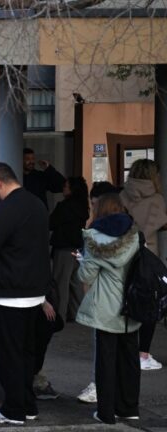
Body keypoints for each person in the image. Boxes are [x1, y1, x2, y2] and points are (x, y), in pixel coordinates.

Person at [0, 163, 50, 425]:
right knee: (26, 354)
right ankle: (27, 405)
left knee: (8, 356)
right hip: (33, 292)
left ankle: (12, 410)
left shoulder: (5, 209)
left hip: (7, 293)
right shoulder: (37, 204)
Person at [75, 193, 141, 424]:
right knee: (130, 358)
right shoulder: (134, 234)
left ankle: (106, 412)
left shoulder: (93, 237)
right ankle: (129, 407)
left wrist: (83, 261)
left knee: (106, 360)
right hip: (132, 304)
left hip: (105, 305)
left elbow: (87, 274)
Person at [77, 180, 122, 405]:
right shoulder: (131, 228)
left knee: (104, 348)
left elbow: (88, 273)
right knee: (124, 348)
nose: (93, 208)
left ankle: (101, 389)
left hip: (104, 296)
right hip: (127, 296)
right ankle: (123, 397)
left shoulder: (98, 231)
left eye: (95, 204)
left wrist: (84, 263)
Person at [120, 159, 167, 371]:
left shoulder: (122, 194)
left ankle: (125, 350)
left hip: (125, 253)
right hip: (148, 254)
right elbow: (159, 223)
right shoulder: (156, 198)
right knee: (149, 301)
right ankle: (143, 354)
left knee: (126, 299)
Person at [49, 176, 89, 322]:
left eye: (66, 186)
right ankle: (78, 314)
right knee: (76, 283)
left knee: (60, 283)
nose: (63, 188)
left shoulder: (64, 206)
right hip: (77, 248)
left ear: (72, 189)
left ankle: (60, 316)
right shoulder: (83, 207)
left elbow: (51, 223)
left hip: (63, 248)